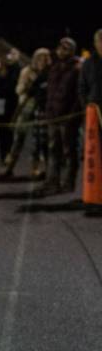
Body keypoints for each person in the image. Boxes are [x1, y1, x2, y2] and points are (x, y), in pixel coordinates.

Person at [34, 37, 82, 196]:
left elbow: (79, 95)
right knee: (53, 150)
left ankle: (68, 183)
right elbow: (49, 92)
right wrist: (47, 111)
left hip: (68, 118)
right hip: (53, 116)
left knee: (69, 151)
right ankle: (51, 182)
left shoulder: (77, 68)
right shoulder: (54, 68)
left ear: (72, 50)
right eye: (60, 47)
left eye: (66, 48)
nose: (62, 50)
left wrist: (72, 115)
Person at [3, 48, 51, 178]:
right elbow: (18, 90)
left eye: (46, 58)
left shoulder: (50, 72)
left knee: (40, 141)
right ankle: (9, 167)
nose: (43, 60)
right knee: (19, 138)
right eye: (40, 57)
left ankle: (38, 169)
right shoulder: (27, 71)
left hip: (43, 108)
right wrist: (27, 86)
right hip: (27, 106)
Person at [78, 29, 102, 216]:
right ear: (95, 43)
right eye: (99, 40)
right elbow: (82, 86)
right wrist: (87, 104)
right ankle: (94, 197)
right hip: (94, 113)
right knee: (94, 155)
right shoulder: (89, 63)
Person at [0, 54, 20, 164]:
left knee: (8, 132)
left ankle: (8, 155)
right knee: (2, 132)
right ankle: (4, 155)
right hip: (0, 104)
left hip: (8, 105)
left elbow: (9, 90)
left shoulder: (13, 75)